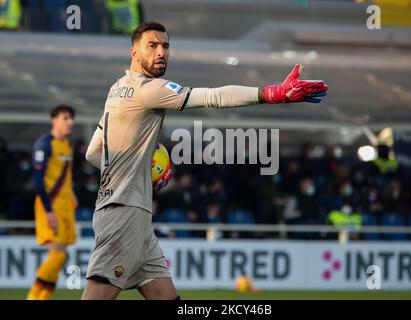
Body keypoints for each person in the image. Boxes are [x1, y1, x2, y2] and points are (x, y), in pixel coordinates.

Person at [82, 21, 328, 300]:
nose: (161, 52)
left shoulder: (117, 89)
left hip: (129, 211)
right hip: (124, 214)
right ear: (134, 53)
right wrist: (273, 93)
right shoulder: (148, 89)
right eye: (152, 46)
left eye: (165, 46)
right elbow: (212, 97)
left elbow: (93, 152)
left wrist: (136, 170)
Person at [27, 105, 77, 300]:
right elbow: (38, 180)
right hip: (50, 205)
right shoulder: (44, 144)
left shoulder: (68, 145)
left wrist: (71, 193)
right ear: (54, 120)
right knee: (57, 256)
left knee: (60, 258)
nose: (70, 122)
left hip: (66, 206)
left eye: (71, 118)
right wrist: (48, 211)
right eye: (65, 118)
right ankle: (32, 296)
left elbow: (65, 174)